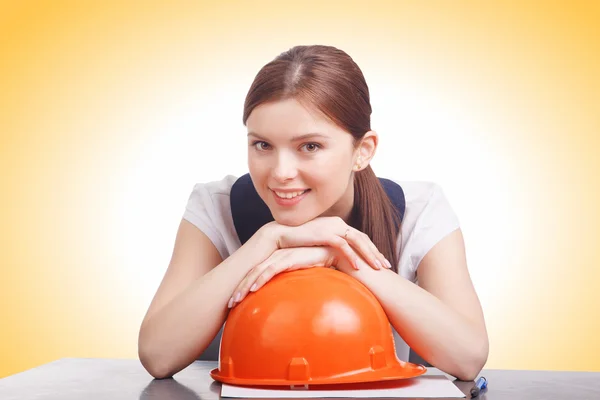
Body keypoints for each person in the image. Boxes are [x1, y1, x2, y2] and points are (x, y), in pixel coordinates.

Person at [137, 44, 489, 381]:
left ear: (362, 151)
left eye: (310, 146)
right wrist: (268, 239)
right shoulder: (215, 205)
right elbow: (158, 354)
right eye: (262, 144)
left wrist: (342, 257)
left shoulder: (419, 211)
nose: (280, 172)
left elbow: (468, 357)